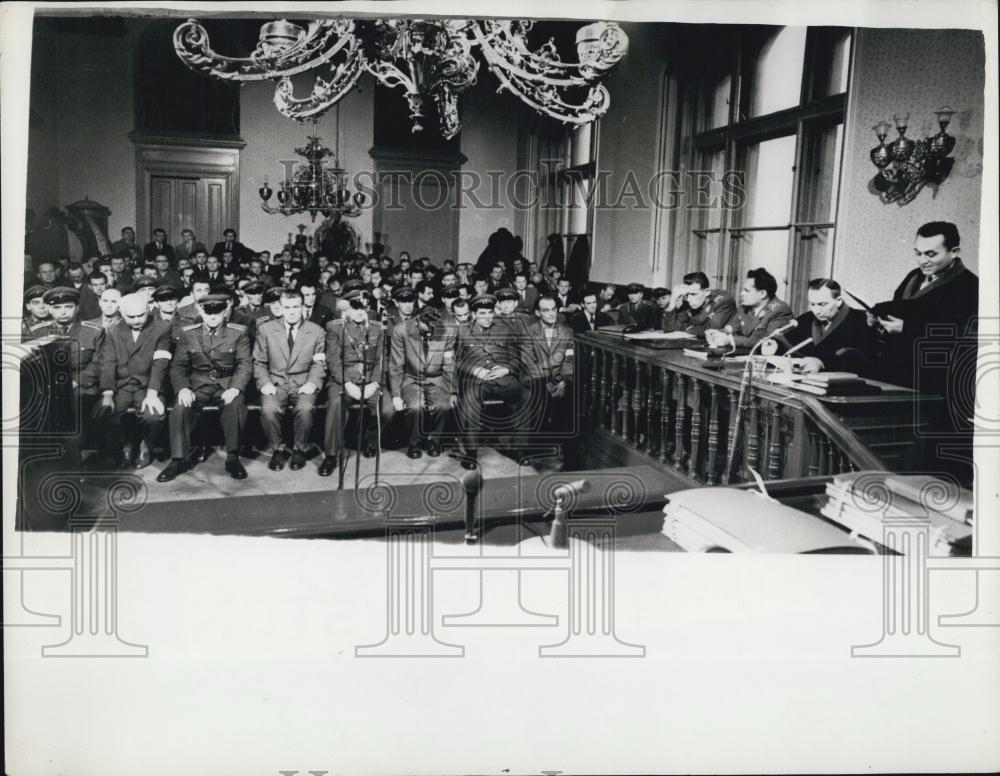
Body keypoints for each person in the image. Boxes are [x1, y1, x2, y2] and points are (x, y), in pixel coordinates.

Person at [870, 221, 979, 391]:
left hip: (933, 381)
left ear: (954, 252)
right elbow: (902, 308)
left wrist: (906, 330)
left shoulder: (971, 286)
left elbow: (964, 342)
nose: (922, 261)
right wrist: (879, 320)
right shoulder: (914, 275)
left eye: (930, 254)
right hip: (894, 372)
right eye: (918, 253)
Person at [158, 294, 252, 482]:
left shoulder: (238, 332)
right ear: (200, 311)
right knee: (180, 408)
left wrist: (235, 388)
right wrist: (183, 388)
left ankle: (232, 458)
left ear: (225, 312)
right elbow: (178, 366)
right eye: (208, 312)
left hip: (225, 384)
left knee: (236, 406)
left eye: (217, 312)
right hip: (197, 384)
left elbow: (244, 364)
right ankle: (178, 459)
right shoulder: (188, 333)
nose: (213, 317)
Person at [96, 293, 173, 469]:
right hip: (121, 385)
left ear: (148, 309)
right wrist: (107, 394)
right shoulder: (113, 329)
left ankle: (146, 444)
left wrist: (153, 394)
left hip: (148, 384)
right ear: (121, 313)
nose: (137, 320)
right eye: (131, 317)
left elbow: (160, 363)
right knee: (104, 413)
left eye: (141, 315)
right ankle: (126, 444)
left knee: (153, 416)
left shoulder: (163, 327)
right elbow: (108, 362)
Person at [253, 289, 327, 471]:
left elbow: (319, 364)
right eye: (287, 307)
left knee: (305, 408)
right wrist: (265, 383)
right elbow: (259, 362)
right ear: (280, 308)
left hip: (303, 382)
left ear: (303, 307)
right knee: (269, 410)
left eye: (296, 307)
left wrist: (312, 383)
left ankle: (299, 449)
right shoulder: (266, 329)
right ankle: (277, 450)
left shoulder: (316, 331)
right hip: (275, 382)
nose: (292, 311)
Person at [454, 294, 528, 470]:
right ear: (473, 314)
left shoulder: (504, 330)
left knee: (525, 396)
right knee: (470, 402)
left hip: (502, 379)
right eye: (482, 313)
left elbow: (516, 359)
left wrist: (507, 369)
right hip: (476, 381)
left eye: (489, 312)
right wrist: (475, 370)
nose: (487, 317)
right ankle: (471, 453)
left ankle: (520, 448)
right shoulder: (463, 331)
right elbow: (456, 361)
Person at [318, 289, 387, 477]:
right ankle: (331, 455)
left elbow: (381, 359)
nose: (359, 312)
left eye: (363, 307)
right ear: (346, 308)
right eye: (355, 307)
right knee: (335, 404)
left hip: (369, 379)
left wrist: (374, 383)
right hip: (342, 379)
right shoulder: (335, 327)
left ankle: (365, 440)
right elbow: (333, 360)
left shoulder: (377, 328)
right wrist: (347, 383)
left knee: (387, 407)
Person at [762, 278, 880, 376]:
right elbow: (790, 344)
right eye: (812, 304)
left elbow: (863, 360)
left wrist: (823, 363)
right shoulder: (806, 319)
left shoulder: (862, 321)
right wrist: (774, 346)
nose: (816, 311)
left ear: (838, 301)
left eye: (822, 304)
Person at [389, 305, 457, 459]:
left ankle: (433, 441)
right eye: (428, 327)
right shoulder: (401, 330)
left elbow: (449, 363)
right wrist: (396, 394)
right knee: (415, 407)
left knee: (443, 406)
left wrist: (453, 391)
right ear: (418, 320)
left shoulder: (448, 330)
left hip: (436, 378)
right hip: (411, 378)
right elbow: (396, 364)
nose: (431, 331)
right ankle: (414, 442)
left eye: (434, 327)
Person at [524, 295, 575, 452]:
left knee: (573, 394)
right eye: (546, 310)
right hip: (534, 377)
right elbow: (528, 362)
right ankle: (536, 446)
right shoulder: (528, 332)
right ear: (538, 313)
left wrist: (563, 380)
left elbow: (569, 359)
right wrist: (548, 380)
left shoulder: (567, 331)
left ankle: (565, 447)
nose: (552, 314)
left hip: (559, 377)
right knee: (540, 394)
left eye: (554, 309)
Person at [706, 268, 793, 349]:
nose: (742, 293)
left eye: (747, 290)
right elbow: (733, 327)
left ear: (762, 293)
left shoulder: (780, 310)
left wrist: (730, 340)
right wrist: (718, 333)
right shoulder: (744, 307)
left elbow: (764, 342)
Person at [662, 271, 737, 335]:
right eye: (687, 294)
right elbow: (669, 329)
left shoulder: (724, 300)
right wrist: (672, 301)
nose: (689, 299)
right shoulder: (688, 301)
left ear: (707, 292)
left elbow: (710, 330)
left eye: (694, 294)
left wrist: (684, 328)